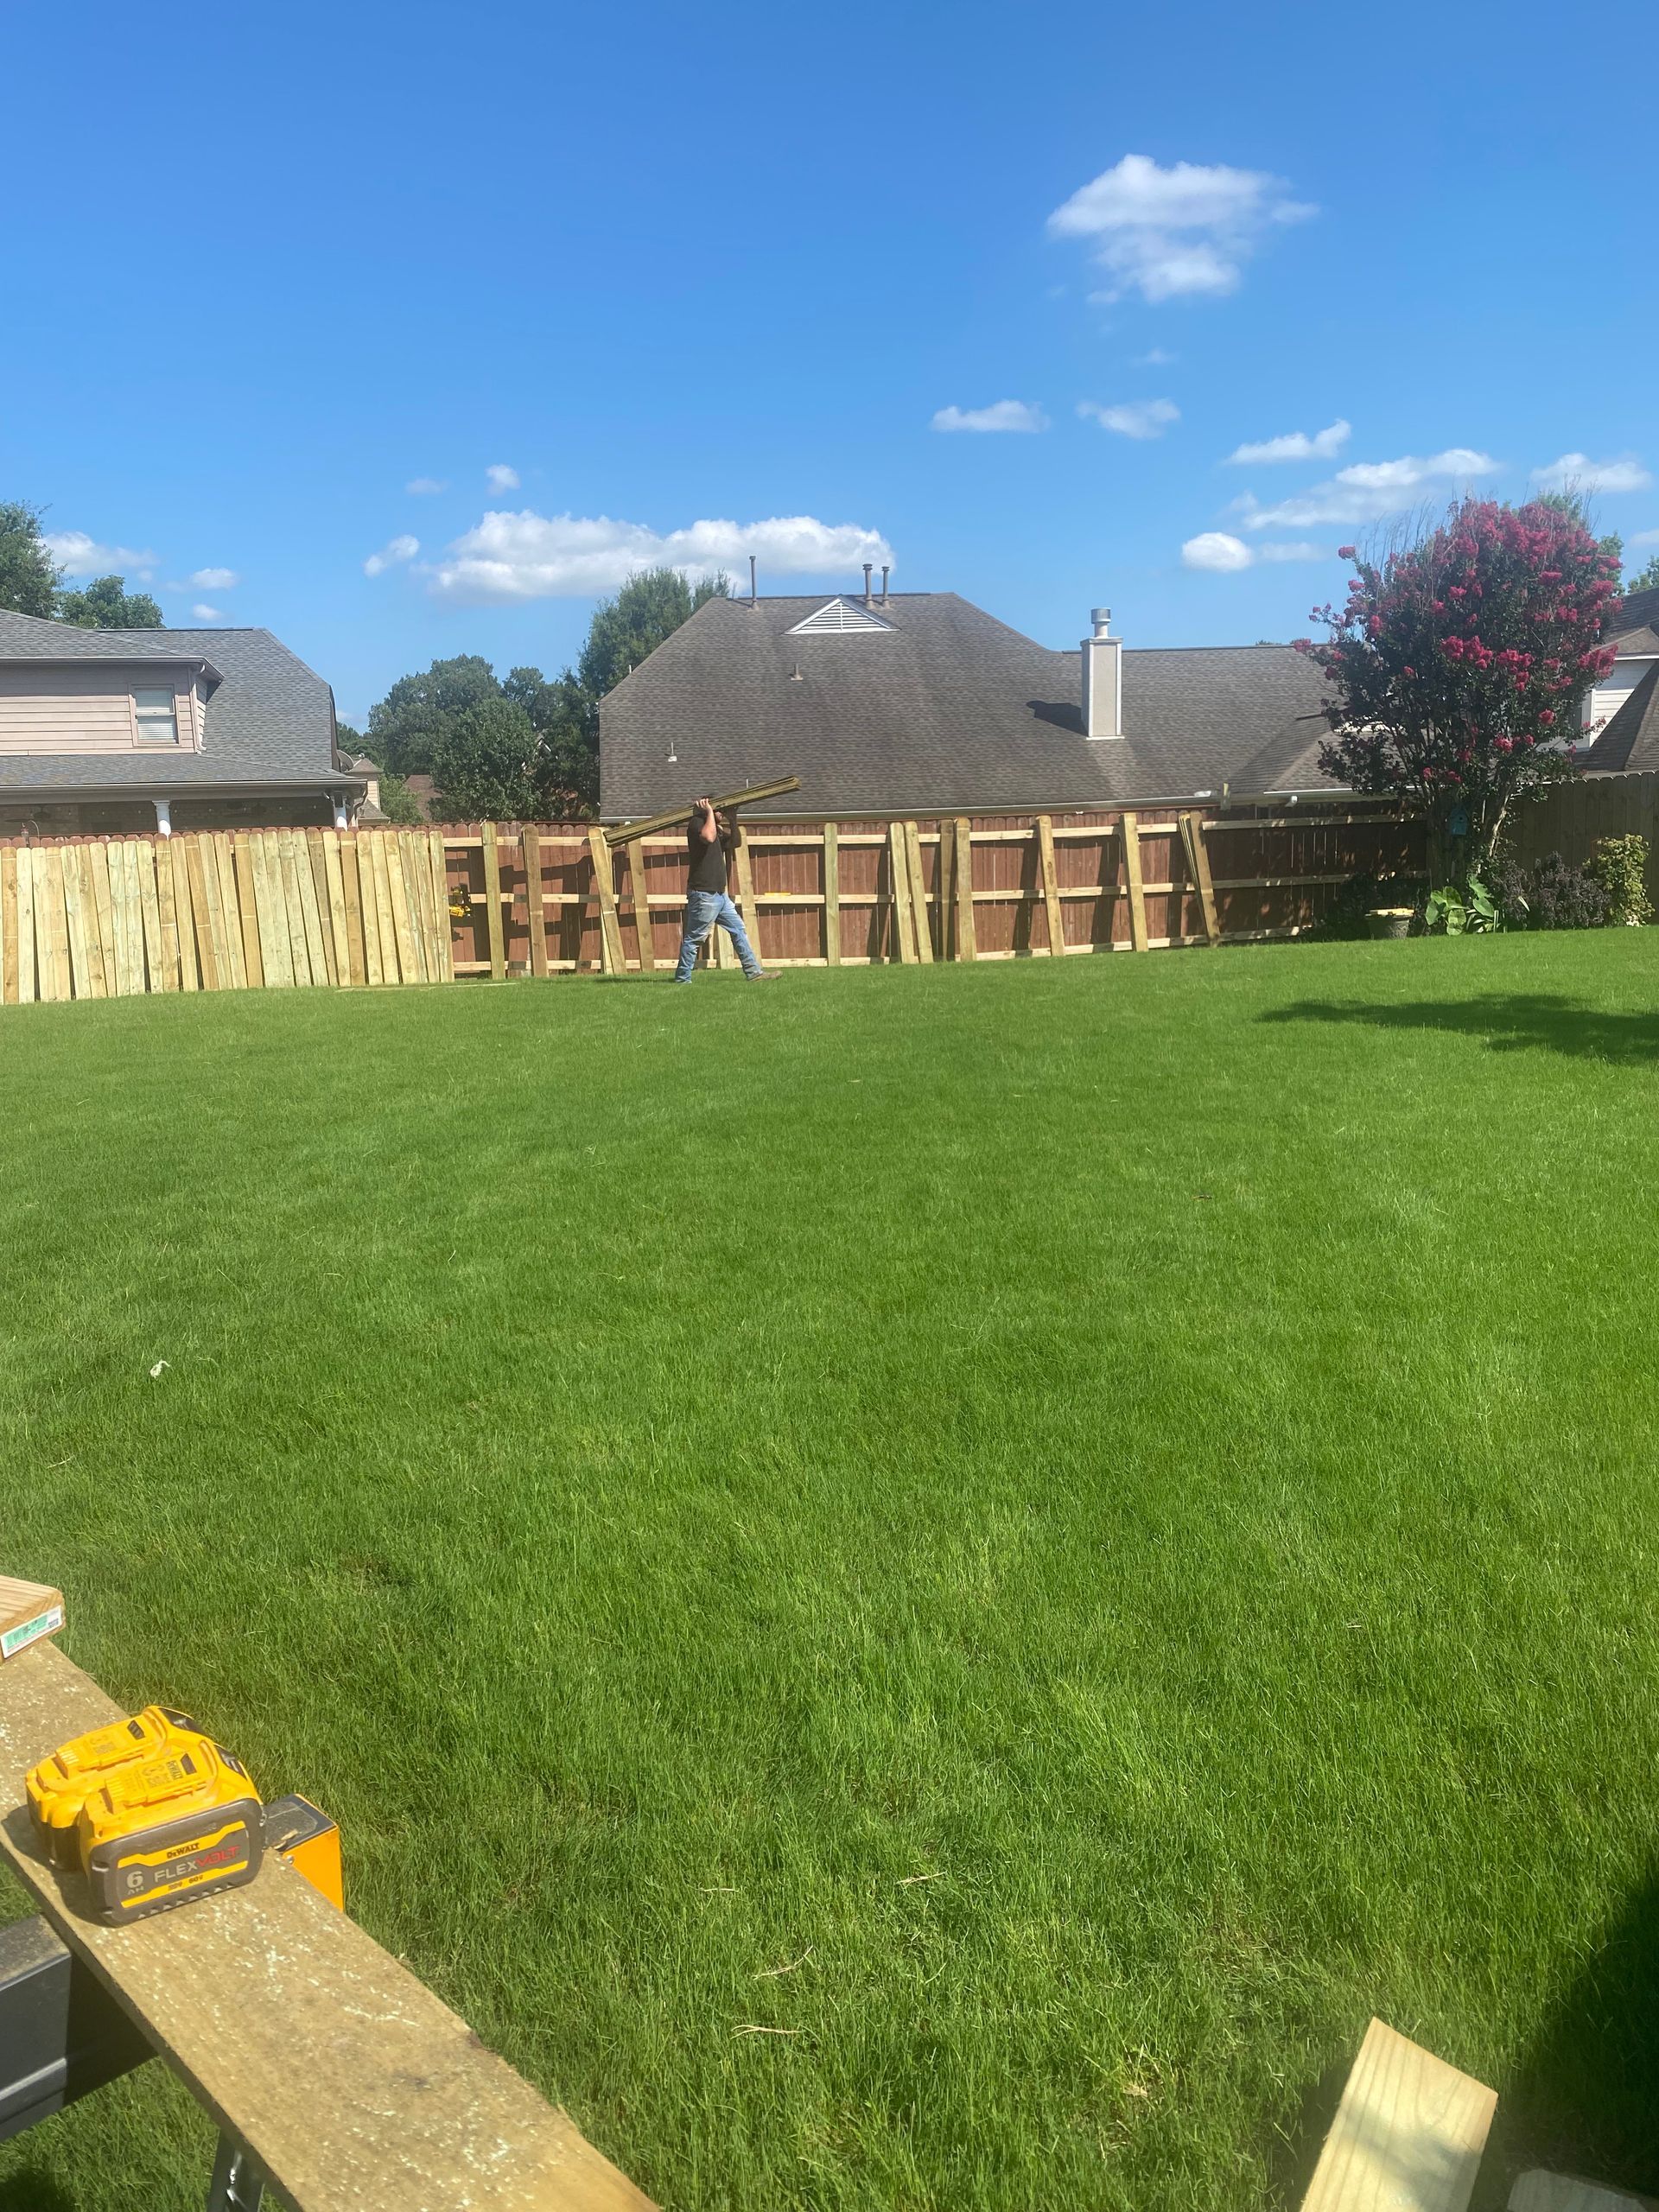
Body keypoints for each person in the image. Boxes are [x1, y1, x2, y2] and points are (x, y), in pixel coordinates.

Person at [673, 797, 777, 982]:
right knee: (695, 938)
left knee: (738, 930)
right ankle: (682, 979)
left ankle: (754, 973)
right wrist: (710, 813)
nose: (721, 812)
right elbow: (708, 837)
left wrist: (733, 818)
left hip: (720, 896)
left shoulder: (717, 828)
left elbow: (735, 843)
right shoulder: (696, 824)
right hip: (703, 894)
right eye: (720, 809)